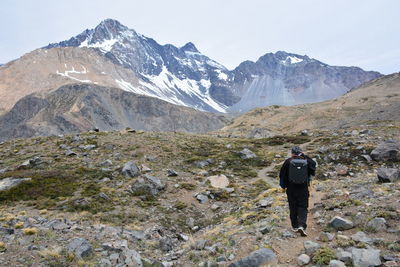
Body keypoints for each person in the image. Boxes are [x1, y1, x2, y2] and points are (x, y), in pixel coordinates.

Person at [279, 146, 316, 236]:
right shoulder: (307, 161)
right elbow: (313, 167)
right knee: (303, 207)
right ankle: (301, 225)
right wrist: (305, 156)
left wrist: (283, 187)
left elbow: (282, 175)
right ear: (301, 152)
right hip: (303, 188)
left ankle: (295, 225)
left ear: (292, 153)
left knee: (293, 206)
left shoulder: (288, 162)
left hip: (291, 189)